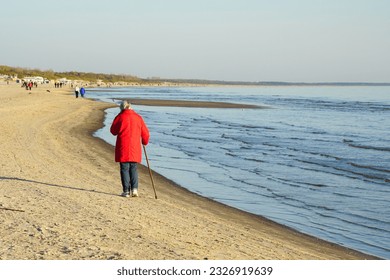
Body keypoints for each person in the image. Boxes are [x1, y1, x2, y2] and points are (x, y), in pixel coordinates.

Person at [110, 100, 150, 197]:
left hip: (123, 146)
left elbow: (113, 131)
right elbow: (146, 133)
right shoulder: (138, 117)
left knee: (124, 168)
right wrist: (144, 141)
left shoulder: (120, 117)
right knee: (133, 168)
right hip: (135, 147)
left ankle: (126, 191)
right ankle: (135, 189)